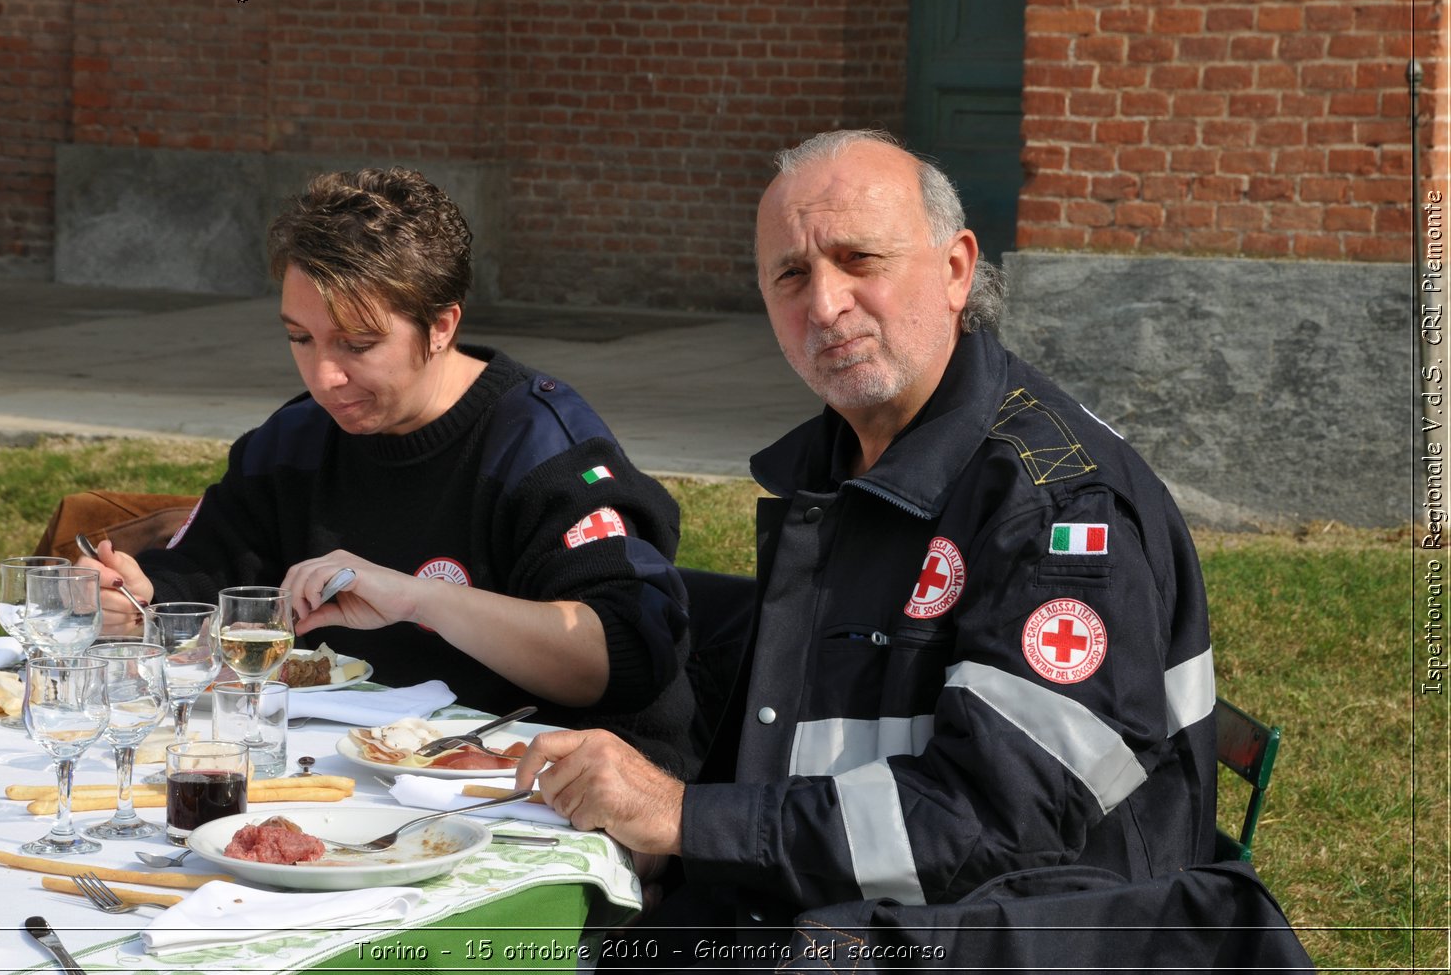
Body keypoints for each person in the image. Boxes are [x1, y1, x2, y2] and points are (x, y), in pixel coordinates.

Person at [514, 130, 1219, 954]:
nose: (824, 303)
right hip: (837, 905)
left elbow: (1003, 823)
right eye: (791, 275)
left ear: (956, 269)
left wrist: (683, 816)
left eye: (859, 260)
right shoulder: (848, 456)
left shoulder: (1057, 507)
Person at [83, 167, 697, 776]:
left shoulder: (542, 448)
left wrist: (419, 600)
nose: (324, 376)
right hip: (348, 773)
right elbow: (199, 576)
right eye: (300, 338)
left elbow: (623, 656)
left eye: (357, 344)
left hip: (547, 785)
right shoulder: (293, 443)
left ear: (441, 327)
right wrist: (138, 600)